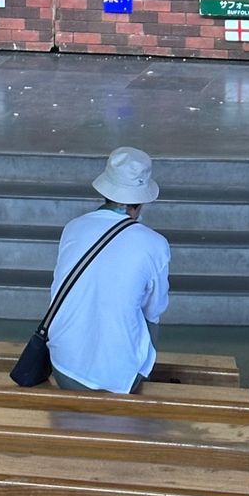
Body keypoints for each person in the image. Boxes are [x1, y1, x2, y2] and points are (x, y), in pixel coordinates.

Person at [46, 145, 170, 394]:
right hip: (117, 379)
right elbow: (154, 310)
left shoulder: (73, 228)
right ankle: (133, 370)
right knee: (148, 315)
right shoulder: (154, 244)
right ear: (141, 200)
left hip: (62, 367)